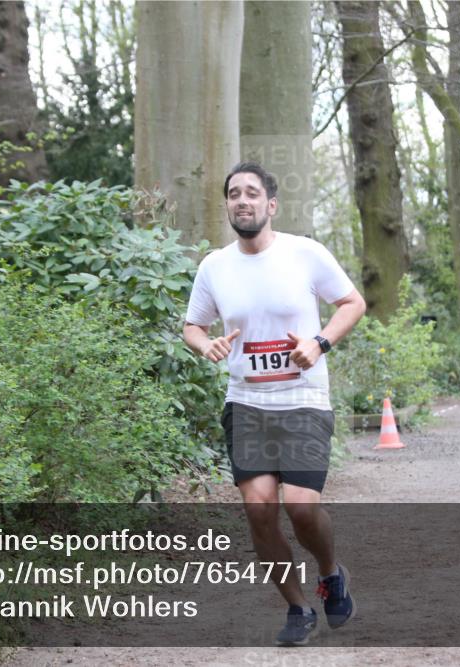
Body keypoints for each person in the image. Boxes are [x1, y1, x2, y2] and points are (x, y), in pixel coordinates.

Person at [183, 162, 366, 646]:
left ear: (271, 205)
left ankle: (329, 572)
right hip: (246, 404)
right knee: (259, 511)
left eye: (251, 193)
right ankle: (297, 608)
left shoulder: (305, 254)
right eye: (233, 194)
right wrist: (207, 346)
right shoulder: (214, 266)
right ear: (227, 206)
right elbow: (192, 326)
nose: (241, 200)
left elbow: (353, 303)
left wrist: (319, 343)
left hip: (303, 399)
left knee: (302, 510)